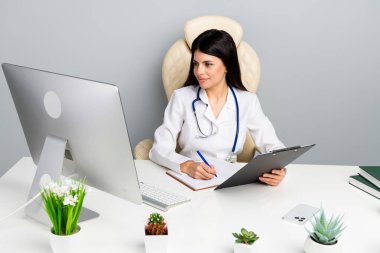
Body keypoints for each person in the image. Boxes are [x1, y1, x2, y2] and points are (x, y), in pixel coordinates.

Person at [149, 29, 286, 186]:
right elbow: (159, 148)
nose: (199, 71)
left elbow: (273, 145)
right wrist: (186, 165)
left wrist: (278, 169)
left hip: (230, 181)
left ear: (227, 66)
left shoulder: (247, 101)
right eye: (196, 64)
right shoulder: (182, 97)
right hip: (191, 180)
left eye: (208, 64)